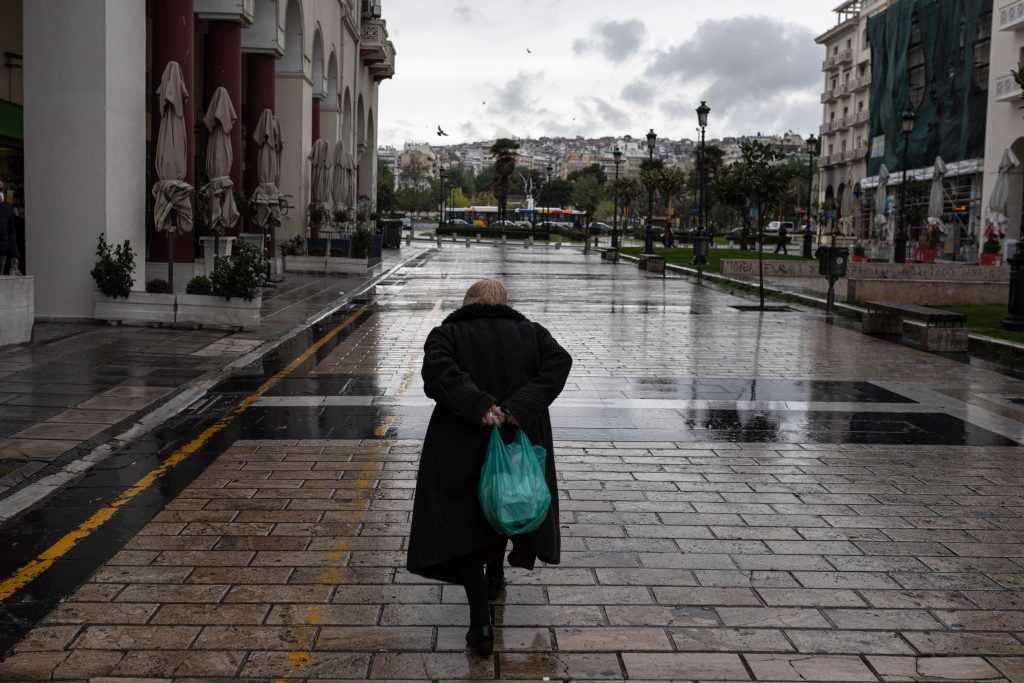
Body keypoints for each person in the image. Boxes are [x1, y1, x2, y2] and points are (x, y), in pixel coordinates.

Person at [407, 279, 572, 657]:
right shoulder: (532, 334)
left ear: (468, 303)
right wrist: (518, 407)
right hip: (518, 442)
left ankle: (480, 624)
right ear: (503, 304)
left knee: (466, 521)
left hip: (460, 445)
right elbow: (560, 362)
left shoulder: (446, 334)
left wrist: (478, 404)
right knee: (504, 504)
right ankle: (496, 575)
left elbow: (437, 370)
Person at [0, 179, 18, 274]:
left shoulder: (7, 208)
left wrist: (14, 255)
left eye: (1, 189)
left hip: (2, 252)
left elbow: (11, 232)